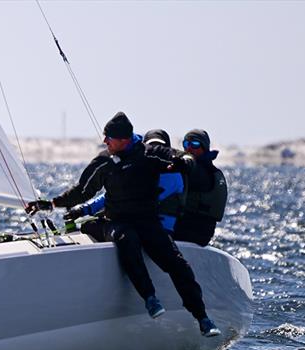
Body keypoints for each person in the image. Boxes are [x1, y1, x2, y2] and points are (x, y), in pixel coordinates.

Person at [26, 112, 220, 337]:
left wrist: (185, 162)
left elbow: (176, 156)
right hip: (116, 221)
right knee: (128, 240)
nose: (105, 142)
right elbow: (82, 191)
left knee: (177, 263)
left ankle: (203, 318)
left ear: (124, 139)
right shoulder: (104, 162)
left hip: (147, 220)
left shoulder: (148, 154)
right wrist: (50, 204)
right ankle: (150, 298)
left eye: (109, 138)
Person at [67, 129, 185, 236]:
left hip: (154, 231)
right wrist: (85, 209)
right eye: (152, 146)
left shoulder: (173, 175)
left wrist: (85, 209)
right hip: (148, 228)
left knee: (90, 226)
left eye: (160, 147)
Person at [171, 129, 227, 247]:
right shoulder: (204, 169)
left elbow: (193, 170)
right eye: (186, 144)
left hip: (193, 232)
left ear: (204, 148)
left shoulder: (202, 172)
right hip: (196, 231)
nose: (189, 148)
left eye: (195, 144)